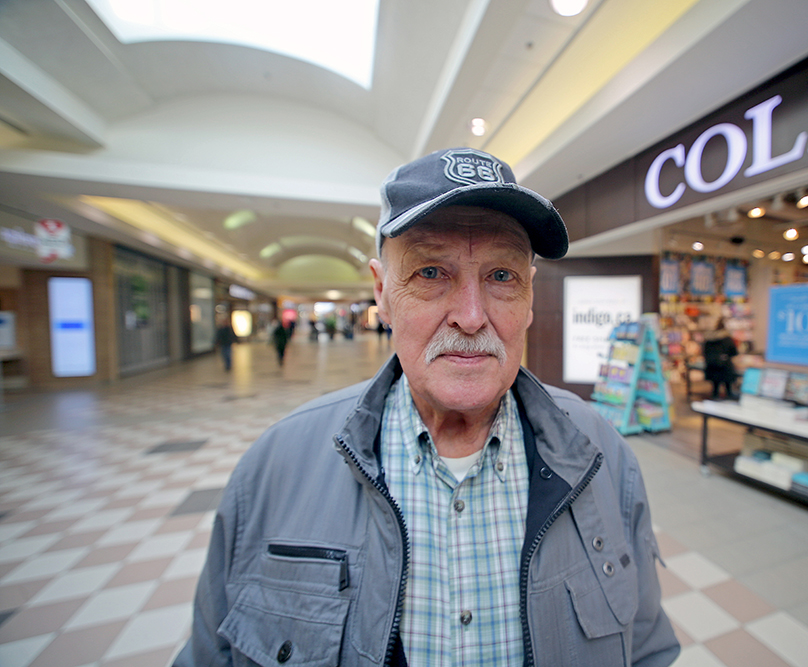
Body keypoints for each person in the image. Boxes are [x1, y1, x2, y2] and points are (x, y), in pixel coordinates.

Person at [175, 148, 680, 667]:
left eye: (501, 276)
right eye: (431, 272)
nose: (471, 316)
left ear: (530, 296)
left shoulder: (602, 454)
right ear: (382, 294)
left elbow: (647, 651)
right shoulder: (276, 468)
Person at [702, 319, 739, 399]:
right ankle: (728, 399)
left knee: (715, 389)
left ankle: (714, 398)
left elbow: (704, 352)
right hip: (725, 367)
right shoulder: (727, 339)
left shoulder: (709, 339)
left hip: (712, 367)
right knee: (728, 389)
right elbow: (734, 352)